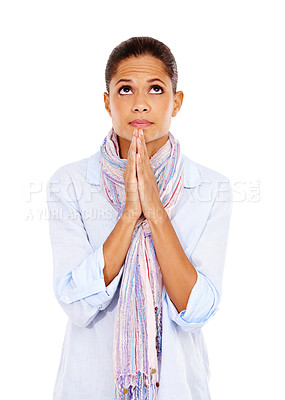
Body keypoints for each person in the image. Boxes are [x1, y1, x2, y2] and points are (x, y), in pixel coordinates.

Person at [46, 36, 233, 400]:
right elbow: (76, 303)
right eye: (126, 89)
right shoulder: (69, 184)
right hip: (90, 386)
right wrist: (131, 212)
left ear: (176, 102)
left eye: (156, 89)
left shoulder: (212, 188)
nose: (141, 103)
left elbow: (197, 310)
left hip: (178, 388)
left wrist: (156, 211)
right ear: (107, 101)